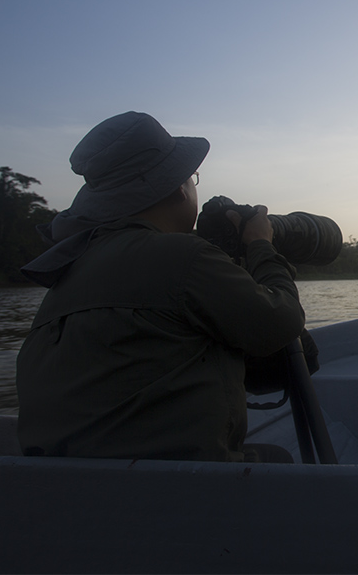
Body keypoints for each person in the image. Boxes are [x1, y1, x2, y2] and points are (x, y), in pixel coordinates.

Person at [16, 111, 304, 462]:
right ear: (179, 190)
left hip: (67, 492)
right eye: (192, 179)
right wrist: (261, 244)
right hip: (173, 494)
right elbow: (281, 323)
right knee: (280, 461)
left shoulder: (68, 272)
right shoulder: (181, 256)